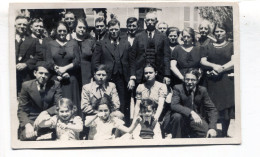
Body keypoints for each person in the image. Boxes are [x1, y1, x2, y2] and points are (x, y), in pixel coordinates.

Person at [92, 19, 135, 126]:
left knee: (124, 104)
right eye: (111, 29)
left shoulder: (126, 43)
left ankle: (125, 128)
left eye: (116, 29)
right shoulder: (101, 44)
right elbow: (95, 63)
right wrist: (101, 76)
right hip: (107, 79)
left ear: (120, 29)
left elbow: (132, 62)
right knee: (107, 103)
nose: (114, 31)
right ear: (108, 29)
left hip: (123, 79)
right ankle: (108, 127)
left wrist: (132, 78)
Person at [200, 22, 234, 137]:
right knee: (211, 105)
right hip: (211, 80)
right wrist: (213, 66)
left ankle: (224, 133)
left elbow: (234, 61)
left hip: (225, 80)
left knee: (225, 107)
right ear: (213, 33)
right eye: (216, 31)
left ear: (226, 33)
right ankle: (211, 130)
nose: (219, 33)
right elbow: (203, 61)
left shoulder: (231, 45)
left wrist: (221, 69)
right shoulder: (209, 46)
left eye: (221, 31)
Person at [164, 68, 218, 138]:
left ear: (198, 79)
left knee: (208, 134)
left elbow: (211, 109)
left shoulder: (202, 90)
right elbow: (174, 105)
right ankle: (177, 139)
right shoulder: (178, 88)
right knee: (177, 116)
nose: (189, 82)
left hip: (195, 120)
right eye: (187, 79)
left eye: (193, 80)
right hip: (180, 119)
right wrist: (191, 112)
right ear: (184, 79)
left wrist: (212, 128)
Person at [17, 63, 62, 141]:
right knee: (28, 137)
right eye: (41, 73)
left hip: (48, 119)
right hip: (32, 120)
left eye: (46, 74)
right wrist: (27, 125)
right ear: (35, 73)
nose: (43, 76)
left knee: (55, 137)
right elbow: (22, 109)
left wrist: (46, 112)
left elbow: (59, 104)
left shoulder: (55, 84)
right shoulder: (26, 85)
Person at [45, 21, 81, 115]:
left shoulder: (73, 43)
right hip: (56, 78)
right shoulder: (50, 44)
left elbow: (77, 61)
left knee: (71, 105)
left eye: (64, 31)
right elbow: (49, 62)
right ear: (56, 31)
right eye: (60, 30)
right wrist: (58, 71)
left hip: (70, 78)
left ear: (67, 31)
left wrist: (65, 69)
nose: (62, 33)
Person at [131, 11, 171, 85]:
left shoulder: (163, 37)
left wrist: (167, 75)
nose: (150, 22)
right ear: (145, 21)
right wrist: (132, 75)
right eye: (148, 20)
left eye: (152, 20)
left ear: (156, 21)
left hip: (158, 74)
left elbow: (166, 57)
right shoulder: (138, 36)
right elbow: (133, 57)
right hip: (141, 75)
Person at [15, 15, 39, 94]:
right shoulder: (6, 39)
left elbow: (38, 56)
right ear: (15, 25)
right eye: (19, 24)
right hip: (11, 79)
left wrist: (26, 64)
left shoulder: (33, 41)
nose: (22, 26)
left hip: (27, 78)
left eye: (24, 25)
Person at [72, 18, 95, 85]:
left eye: (84, 28)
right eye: (80, 27)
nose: (82, 29)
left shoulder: (91, 42)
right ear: (75, 27)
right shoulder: (70, 42)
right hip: (74, 75)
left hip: (87, 76)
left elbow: (94, 61)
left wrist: (93, 76)